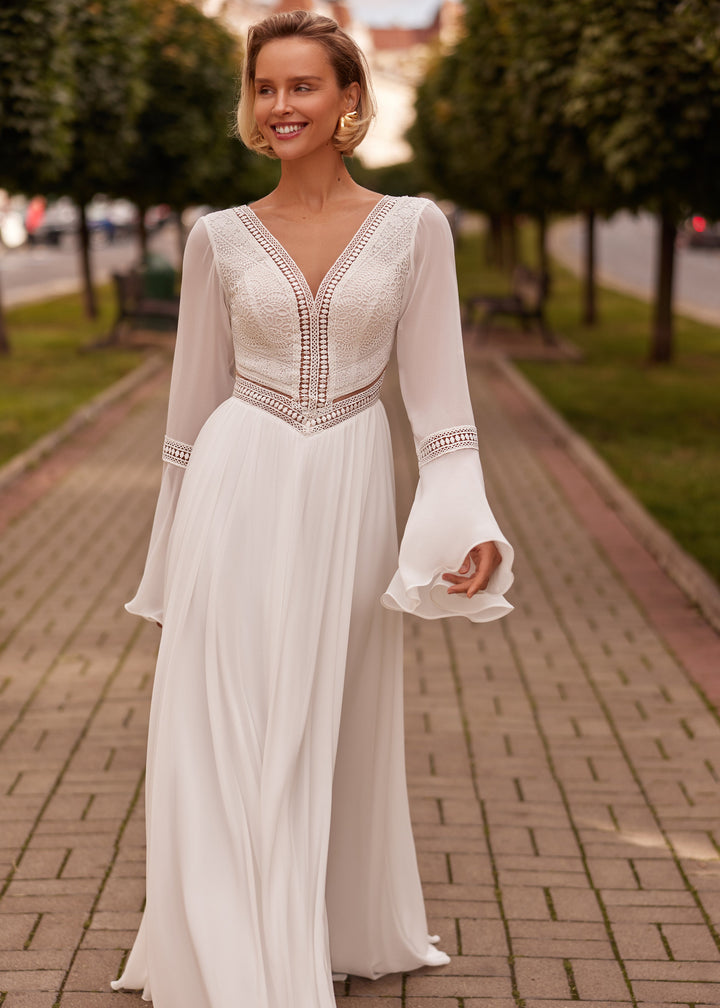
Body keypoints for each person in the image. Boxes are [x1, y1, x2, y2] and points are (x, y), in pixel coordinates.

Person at [111, 9, 514, 1008]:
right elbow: (188, 413)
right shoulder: (216, 238)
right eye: (265, 87)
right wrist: (168, 558)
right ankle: (237, 955)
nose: (280, 105)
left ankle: (306, 922)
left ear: (347, 100)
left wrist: (468, 522)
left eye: (302, 86)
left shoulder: (415, 228)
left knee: (317, 716)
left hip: (347, 487)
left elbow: (440, 403)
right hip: (234, 483)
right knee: (226, 719)